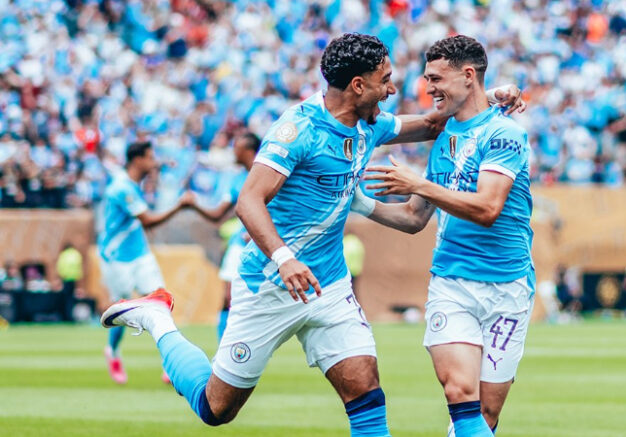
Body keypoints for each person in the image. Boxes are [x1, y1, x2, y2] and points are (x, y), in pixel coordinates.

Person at [100, 33, 524, 434]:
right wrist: (284, 259)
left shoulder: (370, 124)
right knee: (217, 409)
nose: (392, 90)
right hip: (271, 284)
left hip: (330, 286)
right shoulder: (298, 131)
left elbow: (433, 124)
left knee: (366, 393)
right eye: (385, 81)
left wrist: (489, 94)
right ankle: (158, 320)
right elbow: (249, 201)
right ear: (358, 86)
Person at [353, 35, 534, 436]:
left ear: (468, 75)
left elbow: (487, 208)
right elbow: (414, 217)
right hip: (452, 283)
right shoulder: (445, 136)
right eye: (426, 79)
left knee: (486, 413)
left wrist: (419, 183)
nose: (428, 88)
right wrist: (359, 203)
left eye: (435, 78)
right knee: (459, 391)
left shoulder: (505, 134)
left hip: (509, 287)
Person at [97, 141, 194, 384]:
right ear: (137, 160)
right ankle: (112, 351)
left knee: (160, 301)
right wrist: (179, 205)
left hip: (140, 254)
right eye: (150, 157)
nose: (153, 162)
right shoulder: (122, 188)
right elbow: (147, 220)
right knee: (120, 310)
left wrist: (168, 165)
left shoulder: (132, 183)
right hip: (116, 257)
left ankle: (170, 362)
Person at [190, 132, 261, 342]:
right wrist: (194, 204)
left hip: (264, 246)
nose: (233, 152)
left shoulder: (268, 175)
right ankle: (224, 349)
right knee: (227, 297)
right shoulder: (237, 179)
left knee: (257, 301)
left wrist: (260, 231)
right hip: (239, 245)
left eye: (237, 148)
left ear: (249, 151)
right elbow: (217, 214)